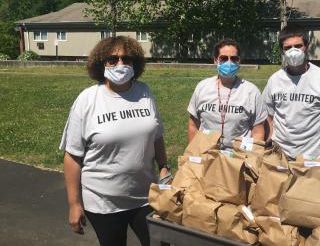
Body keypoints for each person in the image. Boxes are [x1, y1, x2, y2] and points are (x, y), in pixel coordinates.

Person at [60, 36, 169, 246]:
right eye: (112, 59)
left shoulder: (144, 92)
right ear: (101, 63)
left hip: (146, 196)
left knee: (161, 243)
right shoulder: (87, 100)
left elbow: (156, 135)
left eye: (126, 59)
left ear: (135, 63)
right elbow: (73, 156)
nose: (120, 64)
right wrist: (74, 204)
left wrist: (164, 166)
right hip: (103, 202)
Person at [262, 28, 320, 164]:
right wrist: (267, 148)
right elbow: (268, 117)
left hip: (313, 159)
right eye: (288, 48)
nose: (293, 51)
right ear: (282, 51)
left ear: (307, 47)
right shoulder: (274, 80)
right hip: (280, 157)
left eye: (298, 46)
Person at [187, 38, 267, 145]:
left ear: (239, 61)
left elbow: (258, 131)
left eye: (234, 58)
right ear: (215, 60)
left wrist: (250, 158)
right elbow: (193, 125)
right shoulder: (202, 87)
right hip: (207, 154)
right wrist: (194, 153)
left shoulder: (251, 92)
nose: (229, 62)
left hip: (238, 157)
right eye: (223, 58)